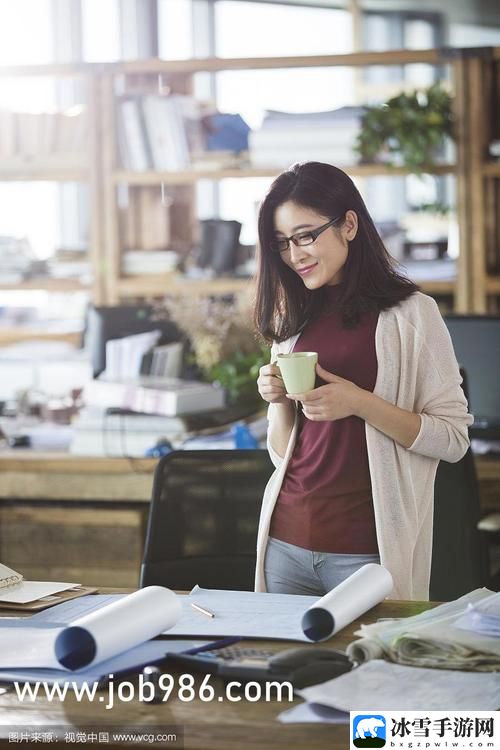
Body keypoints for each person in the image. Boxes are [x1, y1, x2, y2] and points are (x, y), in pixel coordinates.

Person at [254, 161, 472, 601]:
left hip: (366, 553)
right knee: (280, 671)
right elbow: (282, 456)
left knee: (367, 671)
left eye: (305, 235)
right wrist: (278, 401)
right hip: (286, 543)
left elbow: (452, 439)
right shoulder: (291, 318)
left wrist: (360, 402)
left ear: (349, 224)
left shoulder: (411, 315)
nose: (294, 254)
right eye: (282, 243)